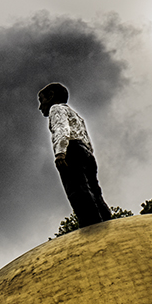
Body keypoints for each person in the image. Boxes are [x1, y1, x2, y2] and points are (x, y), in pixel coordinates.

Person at [38, 83, 110, 227]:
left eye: (41, 100)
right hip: (86, 153)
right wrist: (89, 154)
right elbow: (85, 137)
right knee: (94, 190)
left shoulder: (56, 108)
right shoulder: (76, 115)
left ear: (51, 96)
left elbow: (61, 129)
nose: (40, 107)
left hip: (72, 150)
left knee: (77, 190)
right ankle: (106, 219)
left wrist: (60, 153)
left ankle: (91, 223)